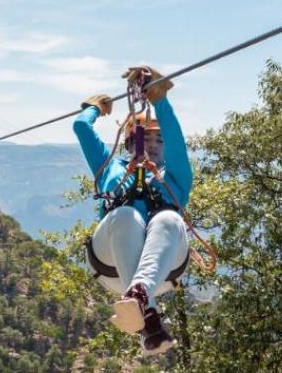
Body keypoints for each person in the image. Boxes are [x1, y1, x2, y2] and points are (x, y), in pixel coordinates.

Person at [74, 66, 193, 356]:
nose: (152, 146)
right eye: (146, 139)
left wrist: (160, 101)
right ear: (131, 142)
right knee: (127, 216)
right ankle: (143, 304)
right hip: (111, 261)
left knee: (168, 218)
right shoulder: (110, 167)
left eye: (159, 141)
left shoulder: (177, 176)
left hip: (164, 270)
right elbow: (81, 128)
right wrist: (93, 109)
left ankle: (144, 309)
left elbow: (177, 141)